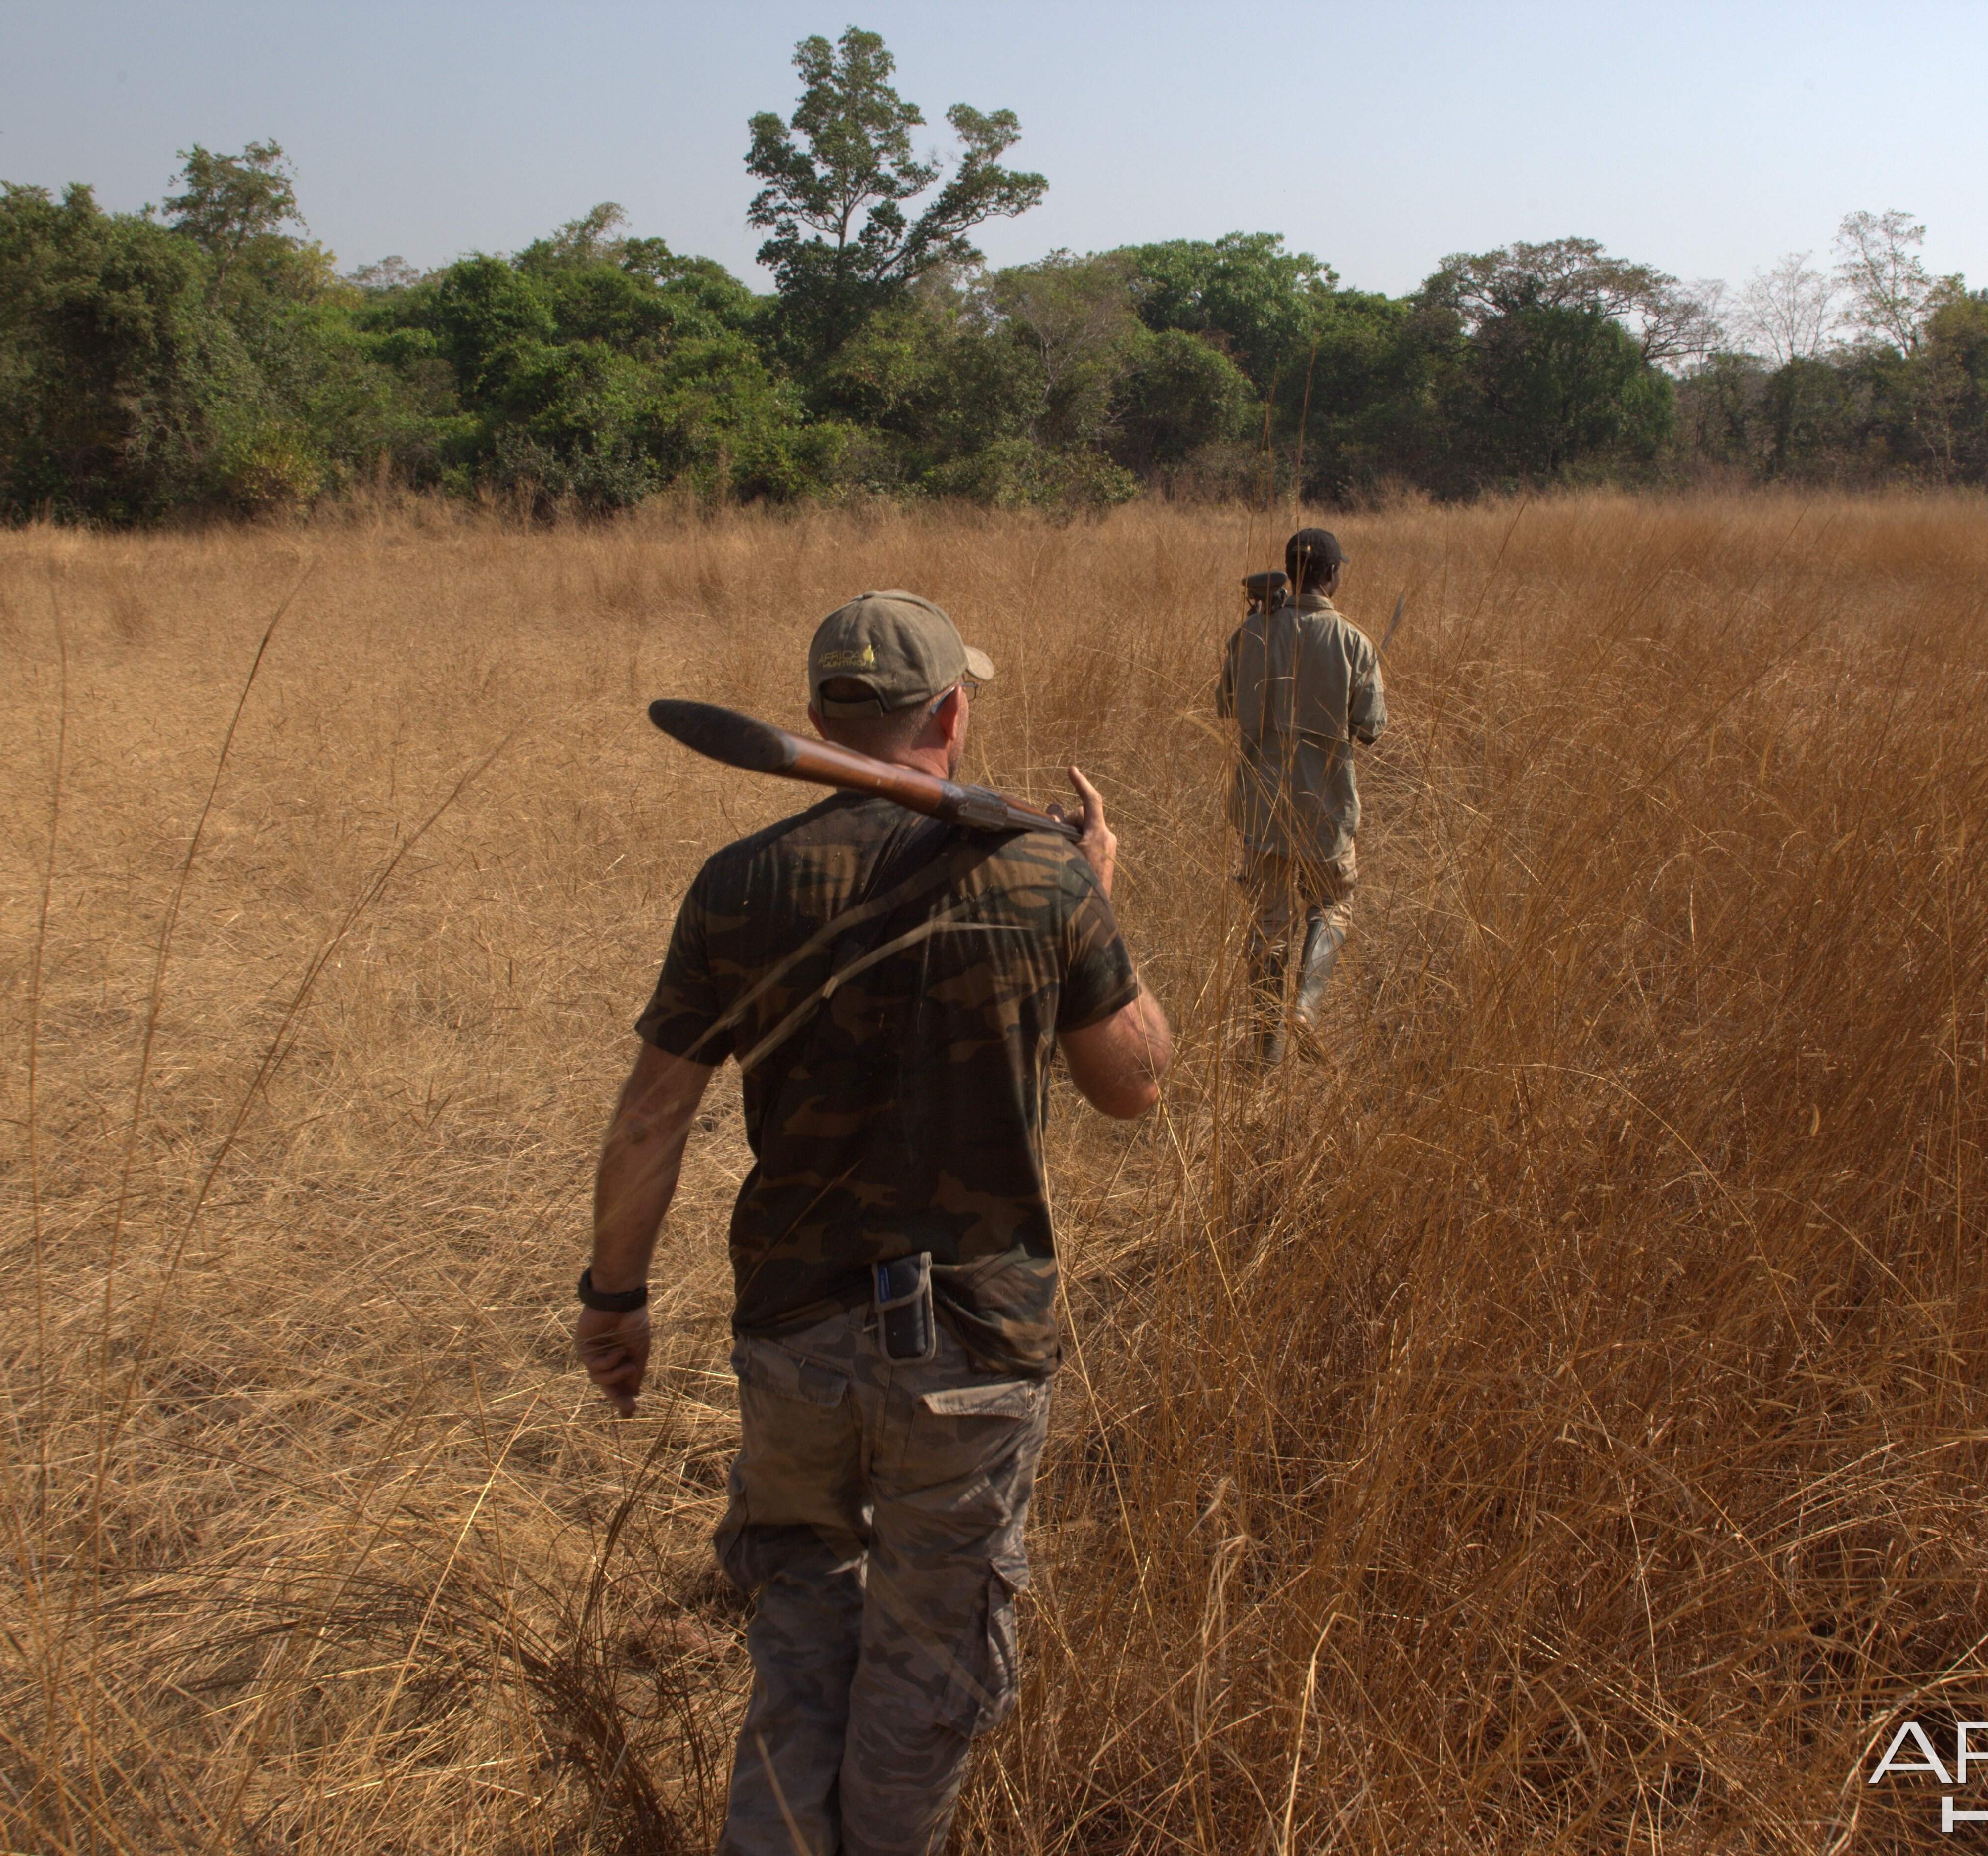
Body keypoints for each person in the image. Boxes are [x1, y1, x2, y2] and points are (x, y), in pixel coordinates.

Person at [575, 589, 1174, 1856]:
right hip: (968, 1357)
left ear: (818, 719)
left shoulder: (738, 886)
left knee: (800, 1630)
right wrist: (1093, 893)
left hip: (793, 1347)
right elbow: (1134, 1083)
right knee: (922, 1682)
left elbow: (648, 1121)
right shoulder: (1040, 873)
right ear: (951, 714)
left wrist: (614, 1298)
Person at [1217, 527, 1386, 1060]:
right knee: (1332, 901)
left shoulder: (1252, 633)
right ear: (1332, 575)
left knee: (1268, 924)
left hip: (1261, 807)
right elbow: (1372, 727)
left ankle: (1266, 1046)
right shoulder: (1354, 642)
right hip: (1326, 808)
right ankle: (1305, 1007)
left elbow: (1225, 703)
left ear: (1292, 572)